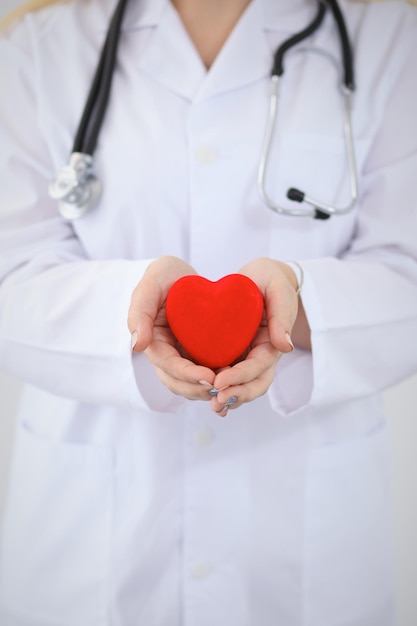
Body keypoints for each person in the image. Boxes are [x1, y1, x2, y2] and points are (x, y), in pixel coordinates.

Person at [0, 0, 416, 624]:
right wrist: (136, 306)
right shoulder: (37, 49)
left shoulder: (391, 38)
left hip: (307, 547)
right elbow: (11, 276)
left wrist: (297, 308)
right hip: (91, 541)